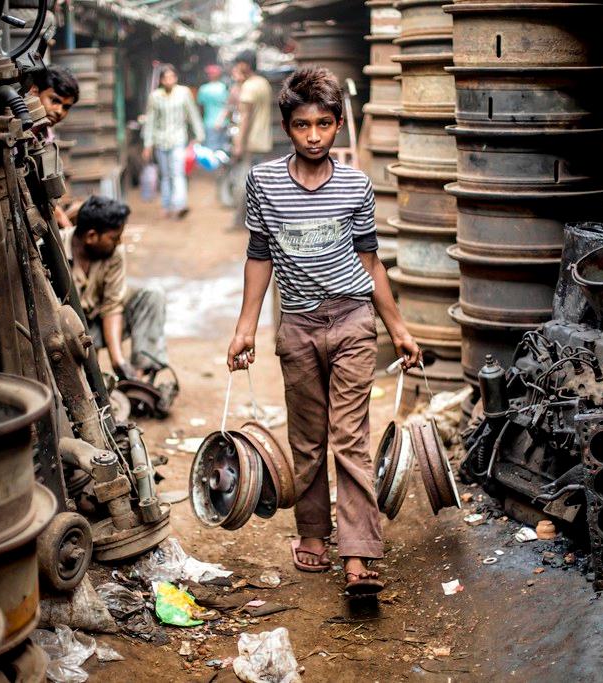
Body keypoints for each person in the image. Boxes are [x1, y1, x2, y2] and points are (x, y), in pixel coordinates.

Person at [226, 67, 421, 596]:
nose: (313, 136)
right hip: (298, 326)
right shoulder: (264, 182)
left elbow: (371, 263)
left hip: (354, 320)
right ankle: (313, 533)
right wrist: (245, 328)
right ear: (287, 127)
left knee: (350, 440)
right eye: (301, 125)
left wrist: (397, 328)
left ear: (337, 125)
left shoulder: (357, 185)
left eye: (324, 124)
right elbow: (259, 257)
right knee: (307, 440)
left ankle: (358, 552)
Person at [63, 196, 169, 380]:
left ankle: (139, 376)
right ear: (91, 236)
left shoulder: (114, 253)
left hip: (100, 320)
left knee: (153, 295)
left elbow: (112, 306)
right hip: (69, 331)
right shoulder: (53, 250)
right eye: (114, 238)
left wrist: (117, 362)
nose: (119, 243)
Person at [142, 65, 204, 219]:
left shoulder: (184, 93)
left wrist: (199, 135)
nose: (169, 80)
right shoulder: (155, 96)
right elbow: (150, 121)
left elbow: (193, 114)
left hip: (178, 139)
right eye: (165, 77)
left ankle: (180, 205)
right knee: (165, 174)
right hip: (160, 140)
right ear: (161, 80)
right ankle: (166, 205)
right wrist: (147, 144)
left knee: (178, 173)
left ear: (176, 78)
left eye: (172, 77)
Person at [26, 65, 80, 228]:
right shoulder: (21, 131)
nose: (59, 111)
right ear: (35, 92)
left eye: (66, 107)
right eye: (55, 100)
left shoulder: (46, 135)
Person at [229, 51, 273, 227]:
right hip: (263, 141)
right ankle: (258, 221)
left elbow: (245, 118)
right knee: (258, 183)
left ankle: (240, 221)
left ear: (245, 65)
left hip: (251, 142)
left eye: (239, 64)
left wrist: (238, 144)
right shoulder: (263, 83)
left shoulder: (249, 87)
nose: (236, 68)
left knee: (243, 182)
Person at [197, 64, 230, 152]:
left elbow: (201, 108)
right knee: (222, 149)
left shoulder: (204, 89)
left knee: (211, 150)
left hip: (210, 123)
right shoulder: (224, 88)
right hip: (221, 123)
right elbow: (228, 106)